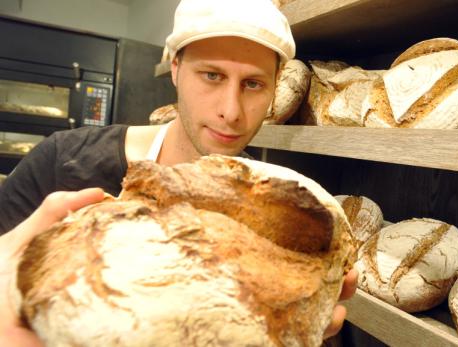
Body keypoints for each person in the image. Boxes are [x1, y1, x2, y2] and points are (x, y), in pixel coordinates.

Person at [0, 0, 357, 344]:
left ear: (275, 86)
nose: (231, 111)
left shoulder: (282, 208)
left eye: (253, 84)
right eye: (212, 75)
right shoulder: (62, 161)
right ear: (175, 68)